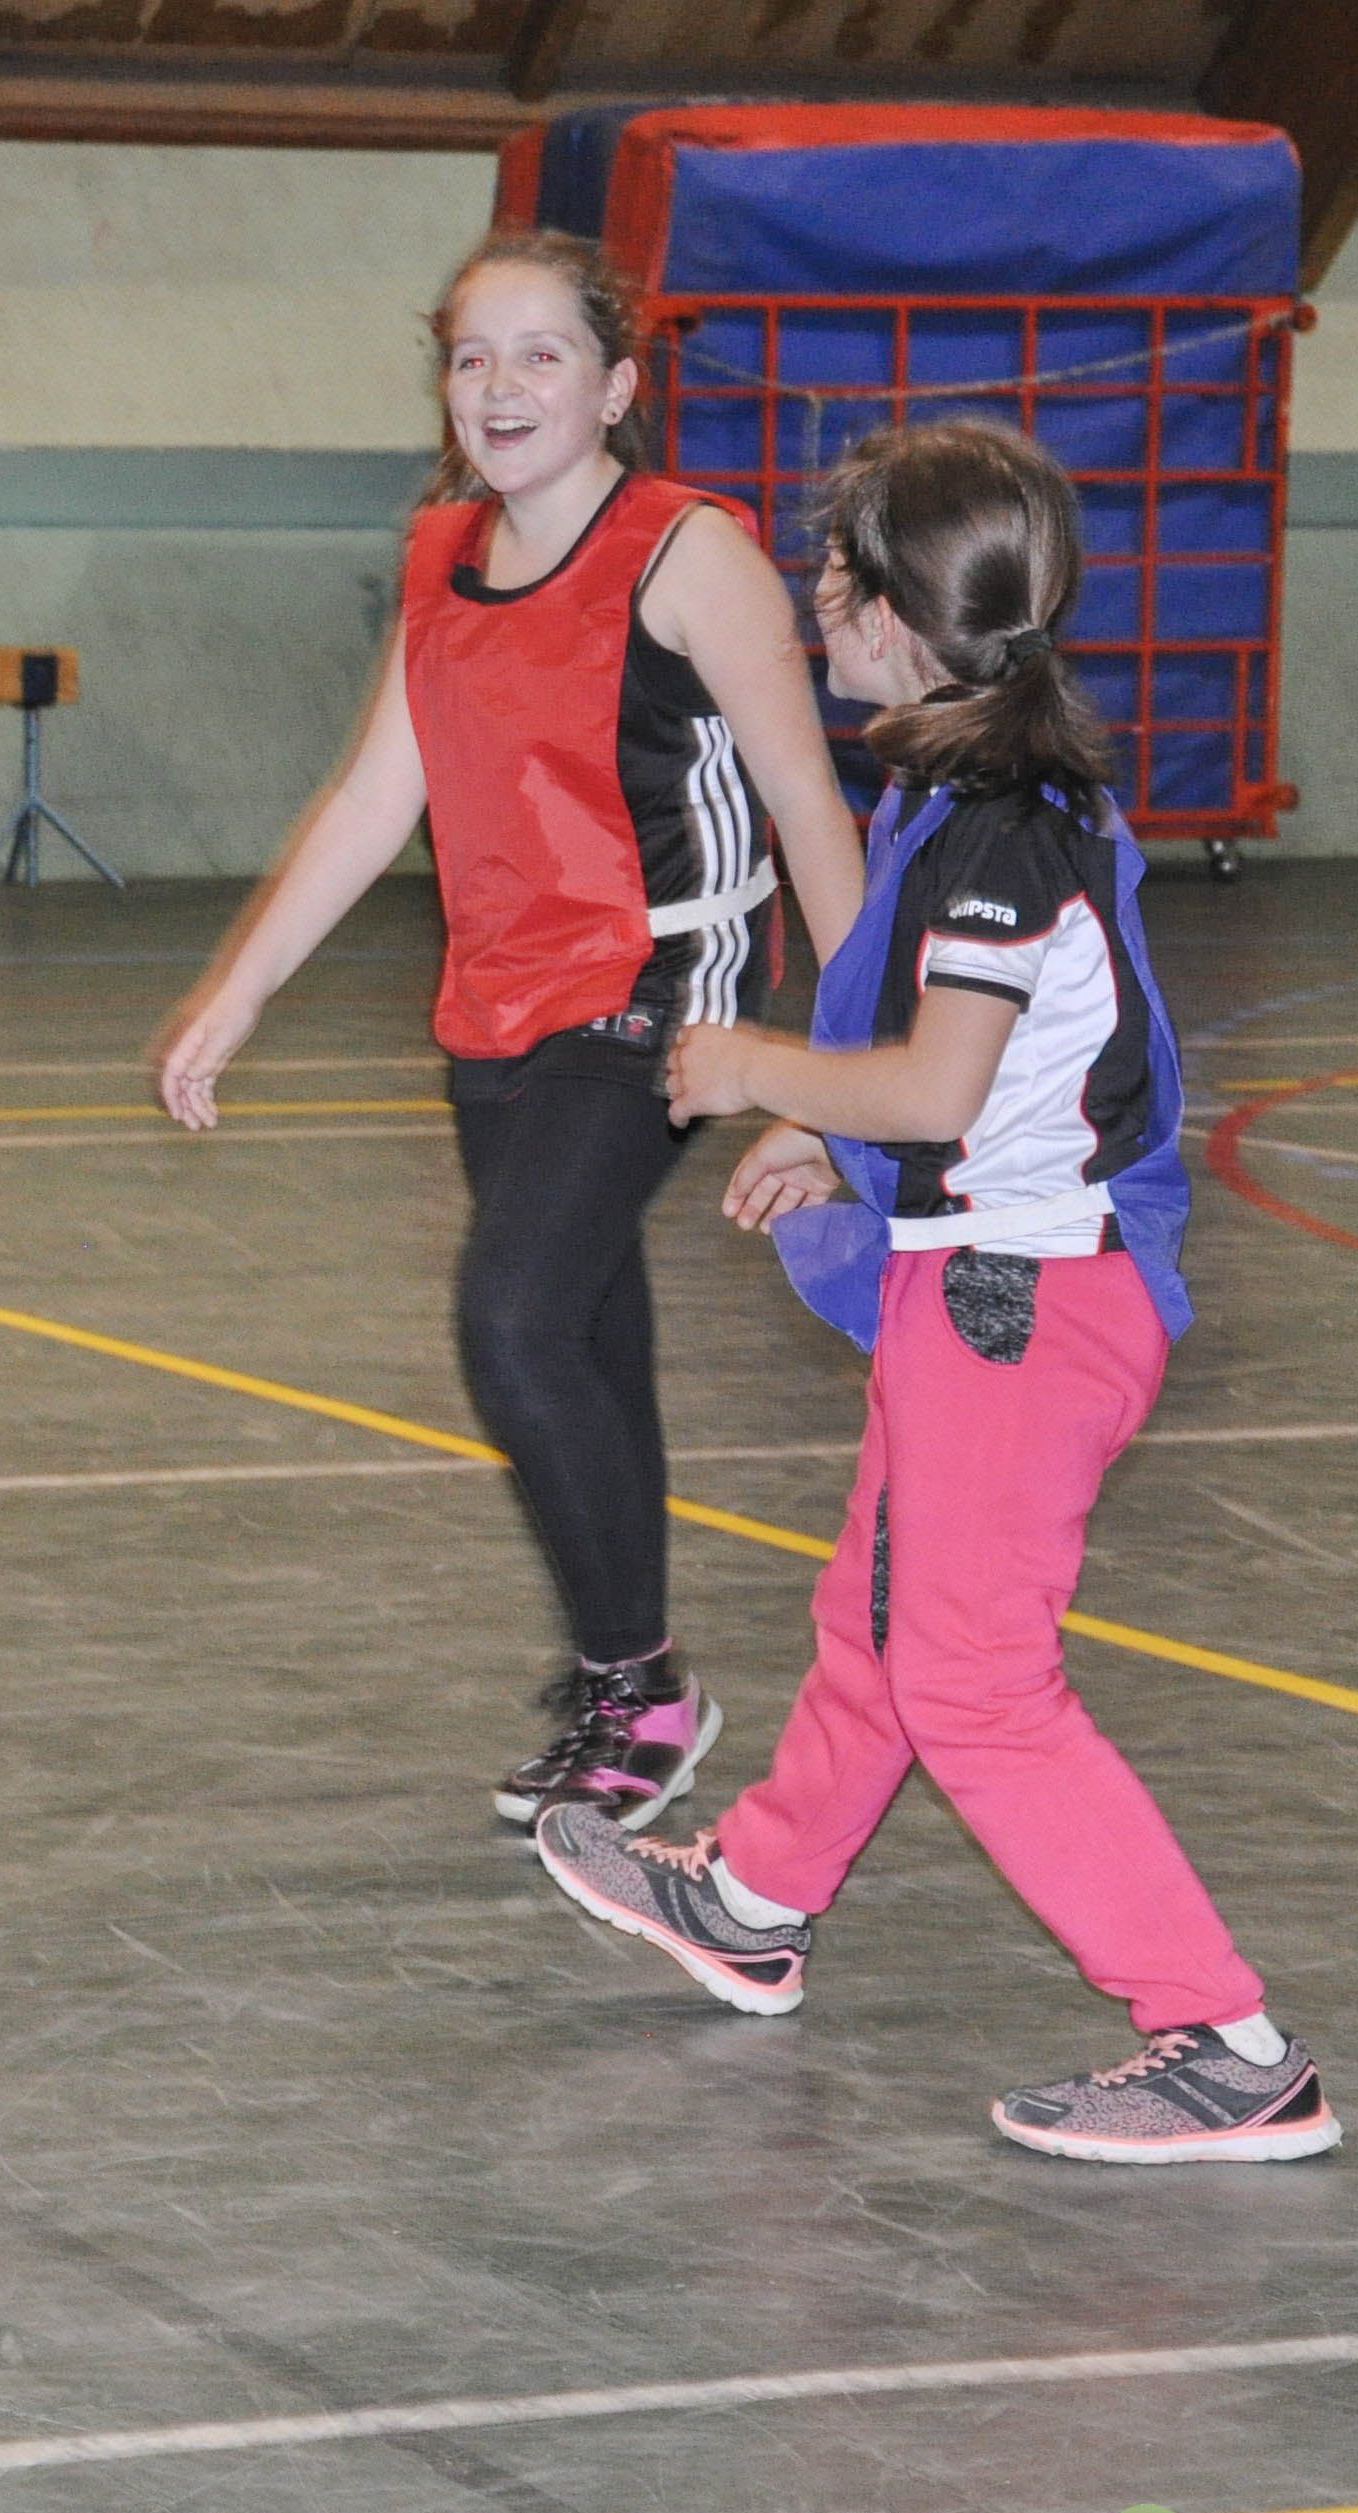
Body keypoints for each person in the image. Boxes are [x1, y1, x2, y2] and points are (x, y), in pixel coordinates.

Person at [535, 416, 1338, 2166]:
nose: (814, 598)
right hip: (984, 1271)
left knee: (972, 1675)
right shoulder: (966, 787)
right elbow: (1018, 1079)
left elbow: (939, 1087)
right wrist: (838, 1148)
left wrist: (757, 1067)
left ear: (899, 618)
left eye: (837, 576)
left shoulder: (997, 833)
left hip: (1027, 1306)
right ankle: (755, 1898)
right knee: (885, 1617)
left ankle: (1225, 2042)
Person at [154, 231, 864, 1833]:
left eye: (543, 354)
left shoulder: (689, 556)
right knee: (584, 1323)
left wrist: (837, 1078)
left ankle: (639, 1682)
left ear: (615, 388)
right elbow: (377, 796)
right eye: (472, 356)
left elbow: (811, 806)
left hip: (661, 984)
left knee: (513, 1317)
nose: (499, 385)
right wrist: (239, 989)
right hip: (498, 995)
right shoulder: (441, 556)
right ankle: (638, 1673)